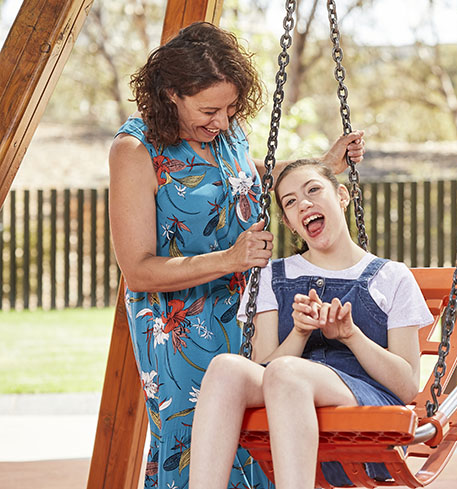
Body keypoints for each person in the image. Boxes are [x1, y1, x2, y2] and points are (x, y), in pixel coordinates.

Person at [108, 22, 365, 489]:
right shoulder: (135, 150)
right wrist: (230, 258)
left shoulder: (227, 132)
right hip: (180, 328)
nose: (222, 121)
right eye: (210, 110)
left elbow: (251, 176)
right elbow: (138, 270)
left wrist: (323, 166)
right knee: (194, 448)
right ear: (170, 94)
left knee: (263, 439)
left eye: (230, 108)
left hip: (252, 315)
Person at [187, 159, 433, 489]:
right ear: (290, 223)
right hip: (291, 402)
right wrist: (300, 333)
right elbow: (266, 366)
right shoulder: (271, 276)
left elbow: (406, 386)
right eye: (290, 202)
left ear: (341, 195)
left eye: (313, 190)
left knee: (287, 370)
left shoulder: (391, 277)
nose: (303, 203)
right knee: (225, 368)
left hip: (367, 421)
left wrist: (351, 335)